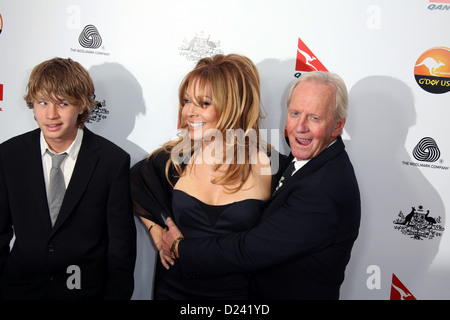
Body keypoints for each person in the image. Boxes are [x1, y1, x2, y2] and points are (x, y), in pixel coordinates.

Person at [161, 71, 361, 300]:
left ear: (337, 126)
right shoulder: (305, 162)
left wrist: (179, 248)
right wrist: (156, 228)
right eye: (295, 113)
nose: (300, 127)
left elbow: (250, 250)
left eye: (314, 118)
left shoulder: (323, 190)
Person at [130, 54, 276, 299]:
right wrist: (157, 233)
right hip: (173, 292)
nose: (189, 112)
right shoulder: (175, 159)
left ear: (233, 105)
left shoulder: (270, 164)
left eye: (204, 103)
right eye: (187, 101)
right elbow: (134, 182)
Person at [0, 57, 136, 300]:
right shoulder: (8, 155)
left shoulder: (111, 162)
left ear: (82, 105)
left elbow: (121, 248)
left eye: (62, 103)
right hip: (19, 290)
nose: (51, 114)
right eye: (42, 102)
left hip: (84, 292)